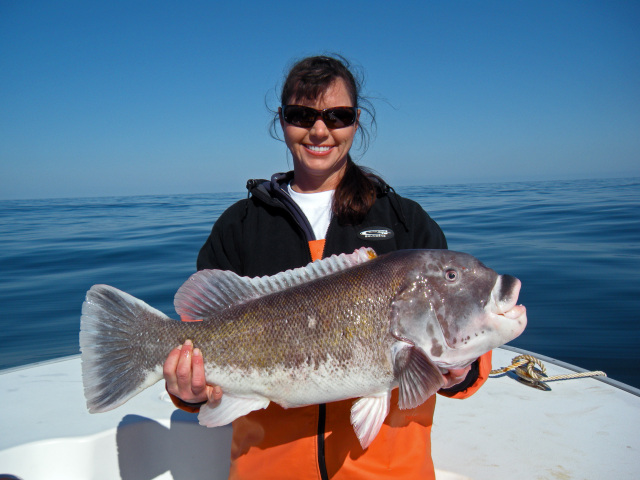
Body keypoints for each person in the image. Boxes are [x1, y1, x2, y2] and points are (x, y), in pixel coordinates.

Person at [163, 55, 492, 479]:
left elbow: (462, 335)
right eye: (303, 115)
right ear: (281, 120)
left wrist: (461, 370)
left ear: (357, 121)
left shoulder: (405, 221)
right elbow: (199, 361)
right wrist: (188, 391)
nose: (320, 131)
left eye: (337, 116)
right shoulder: (239, 227)